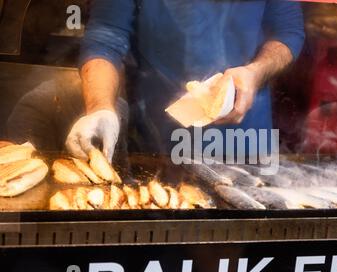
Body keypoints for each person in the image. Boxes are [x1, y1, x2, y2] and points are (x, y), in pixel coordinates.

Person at [64, 0, 305, 162]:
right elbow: (106, 38)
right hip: (158, 142)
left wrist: (256, 71)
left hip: (246, 144)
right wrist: (100, 108)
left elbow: (288, 32)